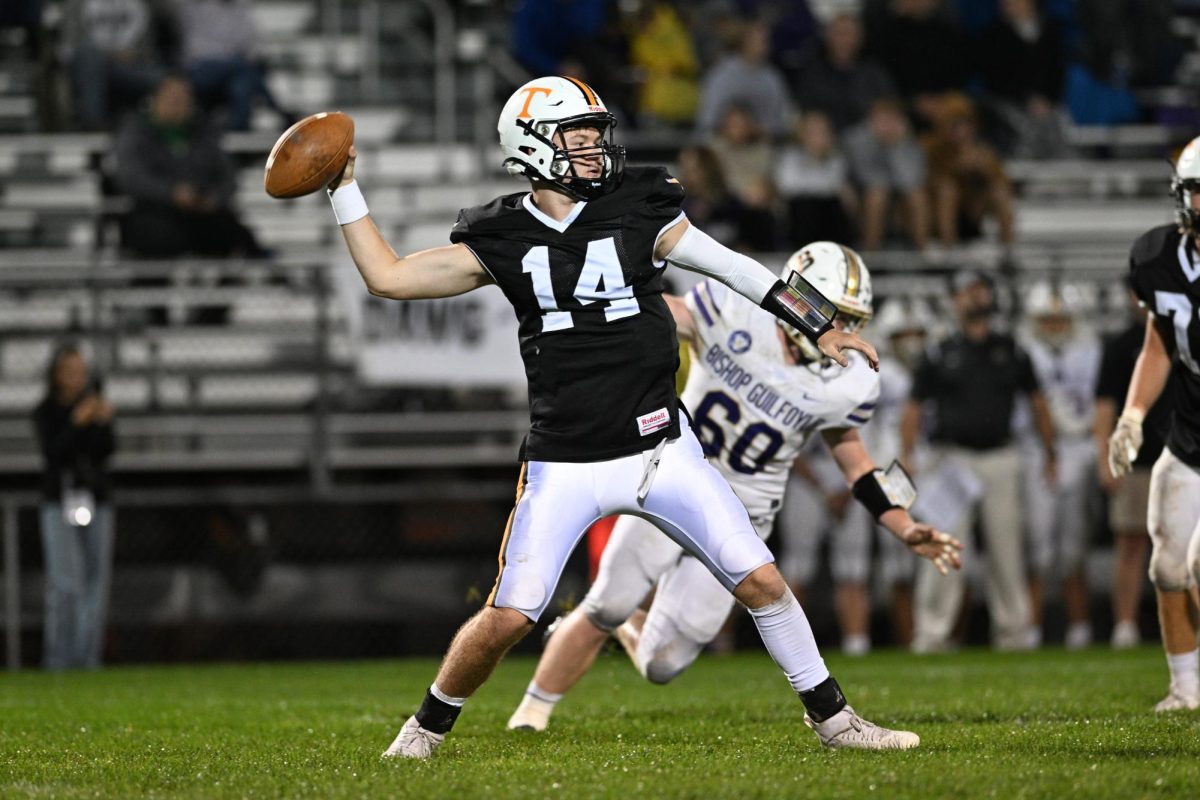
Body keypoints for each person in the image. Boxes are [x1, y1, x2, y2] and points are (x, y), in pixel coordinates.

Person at [323, 75, 955, 758]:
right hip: (564, 458)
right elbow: (386, 277)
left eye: (598, 134)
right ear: (531, 146)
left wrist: (820, 323)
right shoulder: (500, 233)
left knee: (762, 580)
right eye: (579, 136)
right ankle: (423, 731)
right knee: (509, 615)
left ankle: (835, 722)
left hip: (661, 447)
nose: (596, 148)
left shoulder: (640, 204)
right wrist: (342, 189)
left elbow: (734, 267)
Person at [504, 243, 960, 729]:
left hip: (743, 517)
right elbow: (656, 310)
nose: (842, 332)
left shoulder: (847, 382)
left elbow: (859, 466)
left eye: (852, 320)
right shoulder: (736, 311)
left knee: (662, 665)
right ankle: (530, 715)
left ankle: (630, 629)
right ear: (799, 297)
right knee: (607, 603)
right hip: (671, 487)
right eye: (835, 316)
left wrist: (905, 525)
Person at [901, 270, 1057, 652]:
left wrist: (1050, 452)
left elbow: (1038, 404)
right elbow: (914, 408)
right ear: (955, 301)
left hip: (1001, 456)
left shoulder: (1011, 349)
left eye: (979, 290)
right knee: (943, 546)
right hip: (952, 458)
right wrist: (909, 456)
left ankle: (1015, 632)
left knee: (1007, 550)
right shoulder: (940, 351)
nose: (975, 298)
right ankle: (932, 633)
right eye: (967, 292)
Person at [1107, 135, 1200, 711]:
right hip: (1189, 437)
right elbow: (1160, 347)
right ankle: (1186, 689)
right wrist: (1133, 415)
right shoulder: (1155, 256)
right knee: (1167, 562)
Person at [1018, 281, 1102, 649]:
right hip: (1036, 450)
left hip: (1080, 448)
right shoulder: (1025, 351)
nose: (1053, 326)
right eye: (1047, 320)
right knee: (1038, 548)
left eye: (1060, 319)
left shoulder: (1090, 350)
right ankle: (1031, 628)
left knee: (1074, 546)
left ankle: (1079, 628)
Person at [1094, 282, 1174, 650]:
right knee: (1130, 543)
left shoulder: (1187, 332)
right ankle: (1124, 625)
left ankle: (1186, 628)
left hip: (1182, 455)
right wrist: (1105, 456)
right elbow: (1105, 405)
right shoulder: (1120, 344)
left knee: (1188, 547)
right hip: (1137, 458)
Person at [114, 75, 265, 258]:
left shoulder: (205, 133)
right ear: (155, 100)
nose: (178, 105)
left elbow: (228, 175)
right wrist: (172, 193)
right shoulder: (135, 133)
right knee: (156, 235)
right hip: (153, 212)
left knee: (229, 231)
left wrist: (213, 197)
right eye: (172, 98)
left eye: (183, 99)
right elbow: (132, 177)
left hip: (201, 214)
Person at [33, 344, 116, 671]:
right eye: (69, 371)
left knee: (95, 580)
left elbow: (105, 452)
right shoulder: (46, 411)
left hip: (96, 497)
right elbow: (54, 452)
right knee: (66, 582)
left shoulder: (94, 406)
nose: (76, 378)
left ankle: (88, 657)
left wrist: (101, 422)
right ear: (56, 374)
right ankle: (59, 657)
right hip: (59, 498)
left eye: (81, 371)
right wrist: (76, 422)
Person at [172, 0, 291, 131]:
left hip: (233, 70)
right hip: (199, 68)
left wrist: (251, 57)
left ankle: (238, 130)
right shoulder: (194, 6)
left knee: (241, 85)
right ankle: (276, 109)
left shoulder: (240, 10)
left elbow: (253, 44)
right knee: (244, 70)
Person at [922, 94, 1016, 249]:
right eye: (955, 125)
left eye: (965, 124)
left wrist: (985, 170)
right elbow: (925, 180)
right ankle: (948, 251)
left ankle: (1008, 252)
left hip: (973, 212)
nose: (962, 130)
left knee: (1000, 192)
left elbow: (1003, 183)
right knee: (947, 190)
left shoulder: (982, 152)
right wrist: (955, 167)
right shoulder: (931, 147)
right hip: (939, 212)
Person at [843, 98, 929, 251]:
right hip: (859, 191)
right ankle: (871, 255)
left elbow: (912, 179)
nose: (887, 124)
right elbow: (863, 175)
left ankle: (923, 254)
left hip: (897, 189)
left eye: (892, 118)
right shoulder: (855, 139)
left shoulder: (908, 140)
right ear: (871, 119)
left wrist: (896, 147)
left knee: (917, 195)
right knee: (877, 195)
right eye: (882, 118)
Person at [791, 11, 896, 133]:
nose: (845, 40)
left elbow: (891, 105)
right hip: (826, 139)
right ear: (827, 36)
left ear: (861, 38)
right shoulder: (813, 74)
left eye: (850, 33)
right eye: (839, 33)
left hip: (870, 139)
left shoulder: (874, 72)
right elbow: (806, 112)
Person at [695, 20, 794, 140]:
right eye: (762, 40)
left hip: (762, 148)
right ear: (745, 41)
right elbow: (707, 121)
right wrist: (735, 128)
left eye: (766, 40)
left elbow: (782, 122)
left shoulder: (772, 77)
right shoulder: (722, 75)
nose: (767, 44)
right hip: (724, 145)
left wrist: (758, 129)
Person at [775, 111, 855, 249]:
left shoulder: (835, 158)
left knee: (834, 204)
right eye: (813, 132)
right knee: (807, 205)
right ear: (802, 134)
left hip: (828, 213)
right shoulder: (790, 156)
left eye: (823, 132)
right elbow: (788, 186)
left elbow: (835, 185)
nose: (818, 137)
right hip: (798, 213)